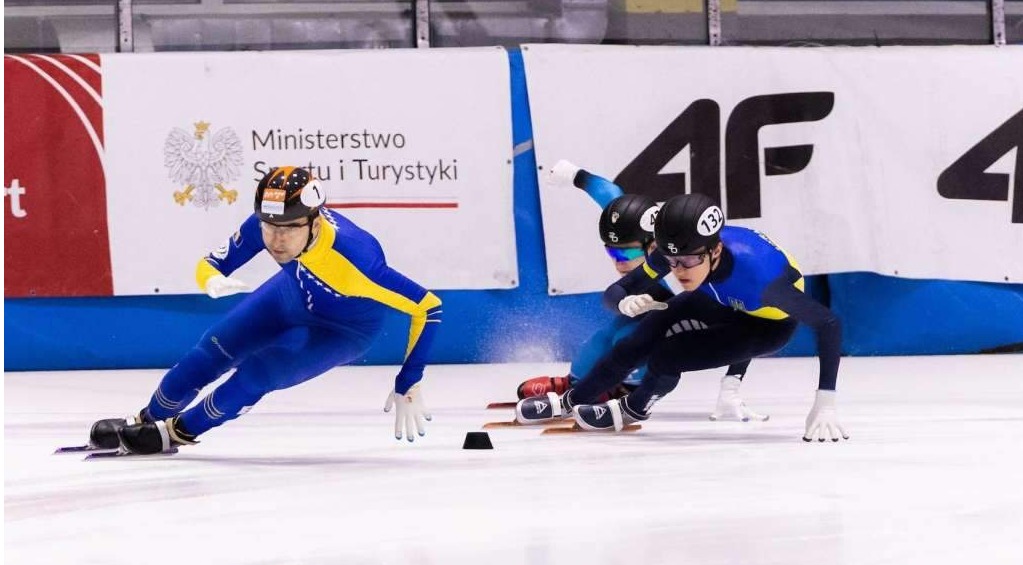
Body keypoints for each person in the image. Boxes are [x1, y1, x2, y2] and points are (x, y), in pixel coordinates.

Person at [88, 166, 442, 454]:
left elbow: (428, 307)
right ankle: (145, 419)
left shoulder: (356, 262)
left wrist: (408, 379)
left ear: (315, 224)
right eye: (269, 228)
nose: (275, 241)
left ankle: (175, 434)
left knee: (258, 373)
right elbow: (212, 262)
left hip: (342, 330)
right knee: (209, 352)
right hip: (289, 296)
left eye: (287, 230)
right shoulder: (271, 220)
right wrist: (210, 279)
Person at [516, 193, 848, 442]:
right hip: (717, 298)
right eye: (671, 262)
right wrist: (624, 304)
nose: (678, 271)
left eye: (687, 262)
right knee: (643, 334)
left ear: (715, 251)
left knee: (668, 356)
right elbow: (617, 291)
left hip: (764, 325)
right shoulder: (679, 250)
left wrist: (826, 401)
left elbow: (828, 322)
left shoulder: (764, 283)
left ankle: (635, 407)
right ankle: (571, 401)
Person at [516, 164, 763, 422]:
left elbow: (749, 319)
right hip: (656, 303)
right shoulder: (632, 221)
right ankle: (575, 382)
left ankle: (627, 388)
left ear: (655, 246)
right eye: (613, 252)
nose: (619, 263)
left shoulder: (697, 263)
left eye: (628, 253)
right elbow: (609, 194)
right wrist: (577, 175)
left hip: (701, 314)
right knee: (604, 339)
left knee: (630, 338)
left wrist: (732, 382)